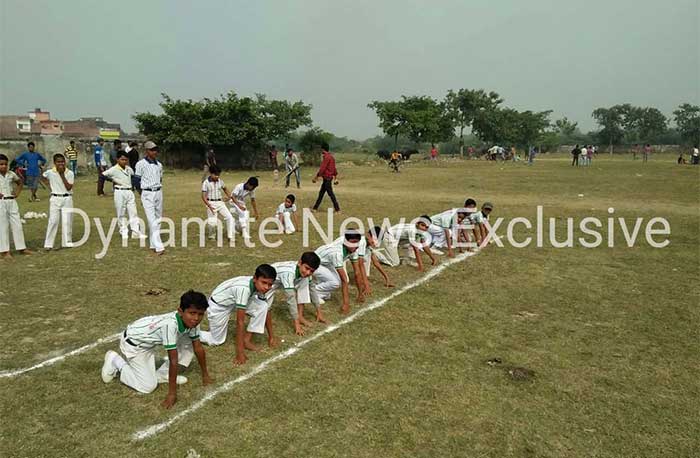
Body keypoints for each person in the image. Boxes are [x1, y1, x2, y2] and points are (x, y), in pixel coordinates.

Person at [100, 290, 212, 409]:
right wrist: (172, 394)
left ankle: (163, 374)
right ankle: (116, 361)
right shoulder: (170, 325)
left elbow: (198, 347)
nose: (196, 318)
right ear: (180, 311)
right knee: (147, 387)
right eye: (192, 313)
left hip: (147, 342)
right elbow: (173, 360)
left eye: (200, 314)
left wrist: (205, 374)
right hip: (134, 344)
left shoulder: (192, 322)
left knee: (188, 342)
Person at [199, 264, 279, 365]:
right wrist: (239, 353)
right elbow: (240, 322)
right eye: (264, 283)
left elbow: (266, 310)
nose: (267, 287)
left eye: (269, 284)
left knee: (263, 306)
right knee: (216, 341)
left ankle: (246, 340)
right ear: (255, 278)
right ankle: (192, 333)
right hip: (219, 306)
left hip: (233, 302)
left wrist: (271, 337)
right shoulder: (244, 289)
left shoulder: (260, 288)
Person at [312, 231, 367, 317]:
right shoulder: (337, 253)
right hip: (314, 263)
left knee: (339, 281)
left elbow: (357, 272)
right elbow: (344, 279)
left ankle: (321, 292)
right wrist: (346, 303)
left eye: (357, 242)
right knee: (337, 282)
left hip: (327, 263)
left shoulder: (354, 250)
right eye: (352, 242)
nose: (355, 245)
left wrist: (360, 294)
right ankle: (313, 292)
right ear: (346, 242)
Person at [270, 252, 321, 335]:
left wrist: (319, 312)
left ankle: (300, 316)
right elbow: (291, 298)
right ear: (299, 263)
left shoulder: (305, 273)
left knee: (305, 282)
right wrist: (297, 325)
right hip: (271, 281)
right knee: (263, 305)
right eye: (307, 268)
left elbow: (312, 289)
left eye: (311, 271)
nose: (308, 272)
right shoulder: (289, 273)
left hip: (282, 280)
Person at [102, 151, 142, 241]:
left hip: (129, 191)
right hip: (120, 191)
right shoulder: (113, 169)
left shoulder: (129, 169)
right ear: (117, 159)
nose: (124, 161)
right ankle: (123, 231)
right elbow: (102, 175)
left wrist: (138, 189)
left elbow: (133, 178)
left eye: (126, 160)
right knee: (121, 212)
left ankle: (136, 232)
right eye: (122, 159)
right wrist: (112, 180)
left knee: (133, 212)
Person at [134, 141, 165, 255]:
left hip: (158, 191)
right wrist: (141, 194)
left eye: (155, 150)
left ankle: (153, 243)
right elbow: (136, 180)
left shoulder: (159, 165)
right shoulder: (140, 164)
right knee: (152, 220)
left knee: (158, 218)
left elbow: (160, 179)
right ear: (147, 151)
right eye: (152, 150)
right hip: (147, 192)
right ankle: (159, 246)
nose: (154, 152)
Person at [40, 154, 74, 250]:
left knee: (67, 221)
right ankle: (48, 244)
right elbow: (42, 176)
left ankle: (67, 242)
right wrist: (49, 185)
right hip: (55, 198)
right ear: (54, 163)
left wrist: (62, 175)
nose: (61, 164)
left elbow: (68, 187)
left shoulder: (69, 173)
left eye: (62, 161)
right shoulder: (50, 172)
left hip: (67, 198)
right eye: (58, 162)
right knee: (53, 221)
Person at [0, 154, 31, 258]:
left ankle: (21, 247)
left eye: (5, 164)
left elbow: (20, 182)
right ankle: (5, 251)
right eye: (1, 164)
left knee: (17, 224)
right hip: (1, 202)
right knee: (3, 226)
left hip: (11, 201)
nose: (3, 166)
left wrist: (17, 193)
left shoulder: (11, 174)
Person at [201, 164, 235, 241]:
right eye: (215, 175)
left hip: (220, 203)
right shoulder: (206, 183)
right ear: (211, 173)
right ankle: (212, 236)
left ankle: (230, 236)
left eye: (218, 175)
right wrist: (209, 205)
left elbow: (226, 189)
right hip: (211, 203)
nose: (217, 176)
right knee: (212, 222)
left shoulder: (221, 182)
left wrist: (229, 197)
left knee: (230, 217)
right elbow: (203, 196)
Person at [312, 142, 340, 212]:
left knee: (330, 194)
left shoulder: (326, 157)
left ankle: (337, 209)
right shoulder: (331, 157)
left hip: (327, 178)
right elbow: (334, 168)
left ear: (323, 149)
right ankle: (315, 208)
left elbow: (322, 168)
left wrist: (316, 176)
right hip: (328, 178)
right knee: (321, 193)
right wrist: (335, 177)